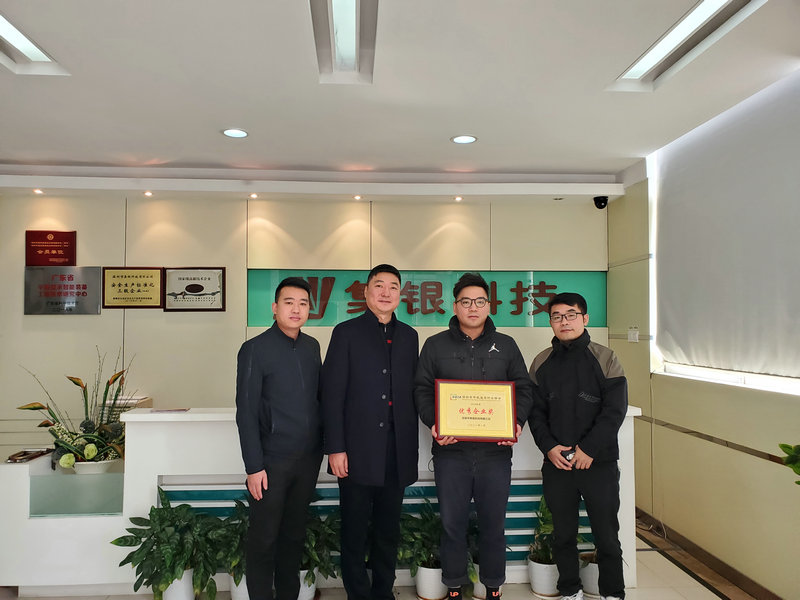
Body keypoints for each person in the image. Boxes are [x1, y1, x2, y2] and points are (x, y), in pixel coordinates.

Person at [414, 272, 533, 600]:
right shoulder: (435, 345)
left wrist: (516, 422)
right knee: (452, 523)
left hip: (495, 452)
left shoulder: (506, 345)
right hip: (451, 451)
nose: (473, 307)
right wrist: (434, 422)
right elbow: (422, 389)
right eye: (465, 301)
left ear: (489, 305)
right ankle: (454, 586)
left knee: (493, 524)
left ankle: (493, 586)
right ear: (455, 306)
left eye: (479, 301)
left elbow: (523, 388)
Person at [321, 264, 420, 600]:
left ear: (400, 294)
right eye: (379, 285)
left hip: (397, 450)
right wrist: (336, 448)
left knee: (388, 530)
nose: (386, 292)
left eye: (393, 286)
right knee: (354, 529)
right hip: (356, 450)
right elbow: (331, 395)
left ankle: (383, 591)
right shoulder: (346, 332)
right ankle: (358, 594)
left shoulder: (409, 336)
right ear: (366, 292)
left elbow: (415, 391)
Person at [528, 292, 628, 600]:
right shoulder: (541, 362)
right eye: (557, 316)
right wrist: (549, 448)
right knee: (563, 535)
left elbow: (614, 410)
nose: (564, 322)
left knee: (607, 535)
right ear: (550, 322)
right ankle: (570, 590)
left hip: (599, 463)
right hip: (557, 463)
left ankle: (613, 593)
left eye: (571, 315)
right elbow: (535, 413)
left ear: (584, 319)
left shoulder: (605, 358)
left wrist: (589, 450)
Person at [235, 277, 323, 600]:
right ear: (275, 308)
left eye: (303, 303)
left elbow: (319, 400)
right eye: (289, 302)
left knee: (293, 538)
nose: (296, 309)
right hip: (270, 463)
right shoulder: (255, 349)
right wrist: (254, 466)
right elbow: (246, 412)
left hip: (307, 461)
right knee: (263, 540)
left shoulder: (312, 347)